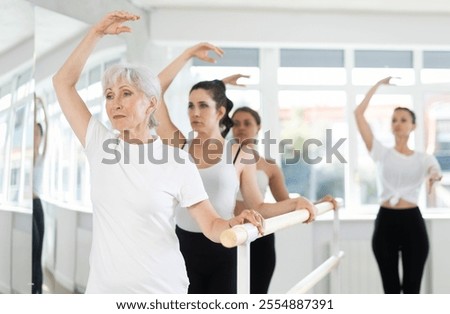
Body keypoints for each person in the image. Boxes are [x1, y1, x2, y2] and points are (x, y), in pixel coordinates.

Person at [52, 11, 264, 294]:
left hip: (161, 291)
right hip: (103, 293)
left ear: (151, 104)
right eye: (110, 95)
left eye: (126, 93)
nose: (115, 103)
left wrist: (233, 223)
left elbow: (211, 223)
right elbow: (62, 83)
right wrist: (96, 33)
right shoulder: (100, 145)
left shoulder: (177, 159)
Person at [155, 43, 320, 294]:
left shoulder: (241, 155)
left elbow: (259, 207)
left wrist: (295, 203)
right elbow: (153, 92)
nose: (194, 113)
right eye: (190, 105)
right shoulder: (180, 145)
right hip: (181, 248)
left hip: (225, 245)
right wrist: (187, 55)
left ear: (220, 111)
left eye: (202, 106)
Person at [231, 105, 337, 294]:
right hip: (230, 232)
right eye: (235, 123)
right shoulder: (220, 161)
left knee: (257, 293)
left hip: (260, 234)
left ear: (258, 127)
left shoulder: (269, 166)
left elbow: (285, 202)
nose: (241, 127)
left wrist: (317, 204)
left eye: (247, 123)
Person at [354, 76, 443, 294]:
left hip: (412, 222)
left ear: (413, 126)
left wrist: (433, 177)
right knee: (391, 289)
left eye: (403, 119)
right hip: (386, 222)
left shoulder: (423, 158)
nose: (398, 123)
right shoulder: (381, 153)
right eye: (394, 119)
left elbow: (435, 170)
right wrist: (376, 85)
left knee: (412, 288)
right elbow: (358, 114)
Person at [32, 96, 48, 294]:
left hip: (37, 206)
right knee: (32, 251)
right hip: (28, 206)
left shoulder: (42, 156)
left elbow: (48, 128)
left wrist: (43, 107)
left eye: (38, 133)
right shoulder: (28, 155)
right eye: (33, 133)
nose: (35, 136)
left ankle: (38, 293)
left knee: (38, 252)